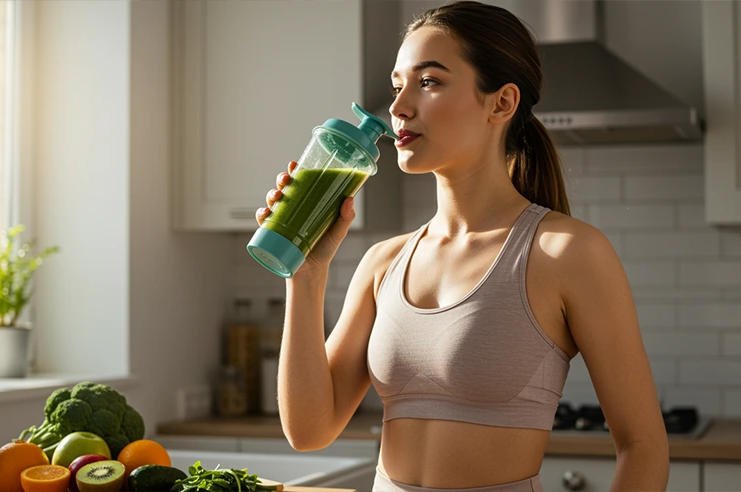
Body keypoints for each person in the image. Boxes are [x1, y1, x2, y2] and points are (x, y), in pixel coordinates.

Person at [255, 2, 669, 490]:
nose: (398, 106)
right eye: (397, 86)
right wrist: (305, 274)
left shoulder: (566, 253)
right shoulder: (384, 262)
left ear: (501, 103)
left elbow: (643, 447)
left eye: (428, 81)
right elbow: (308, 430)